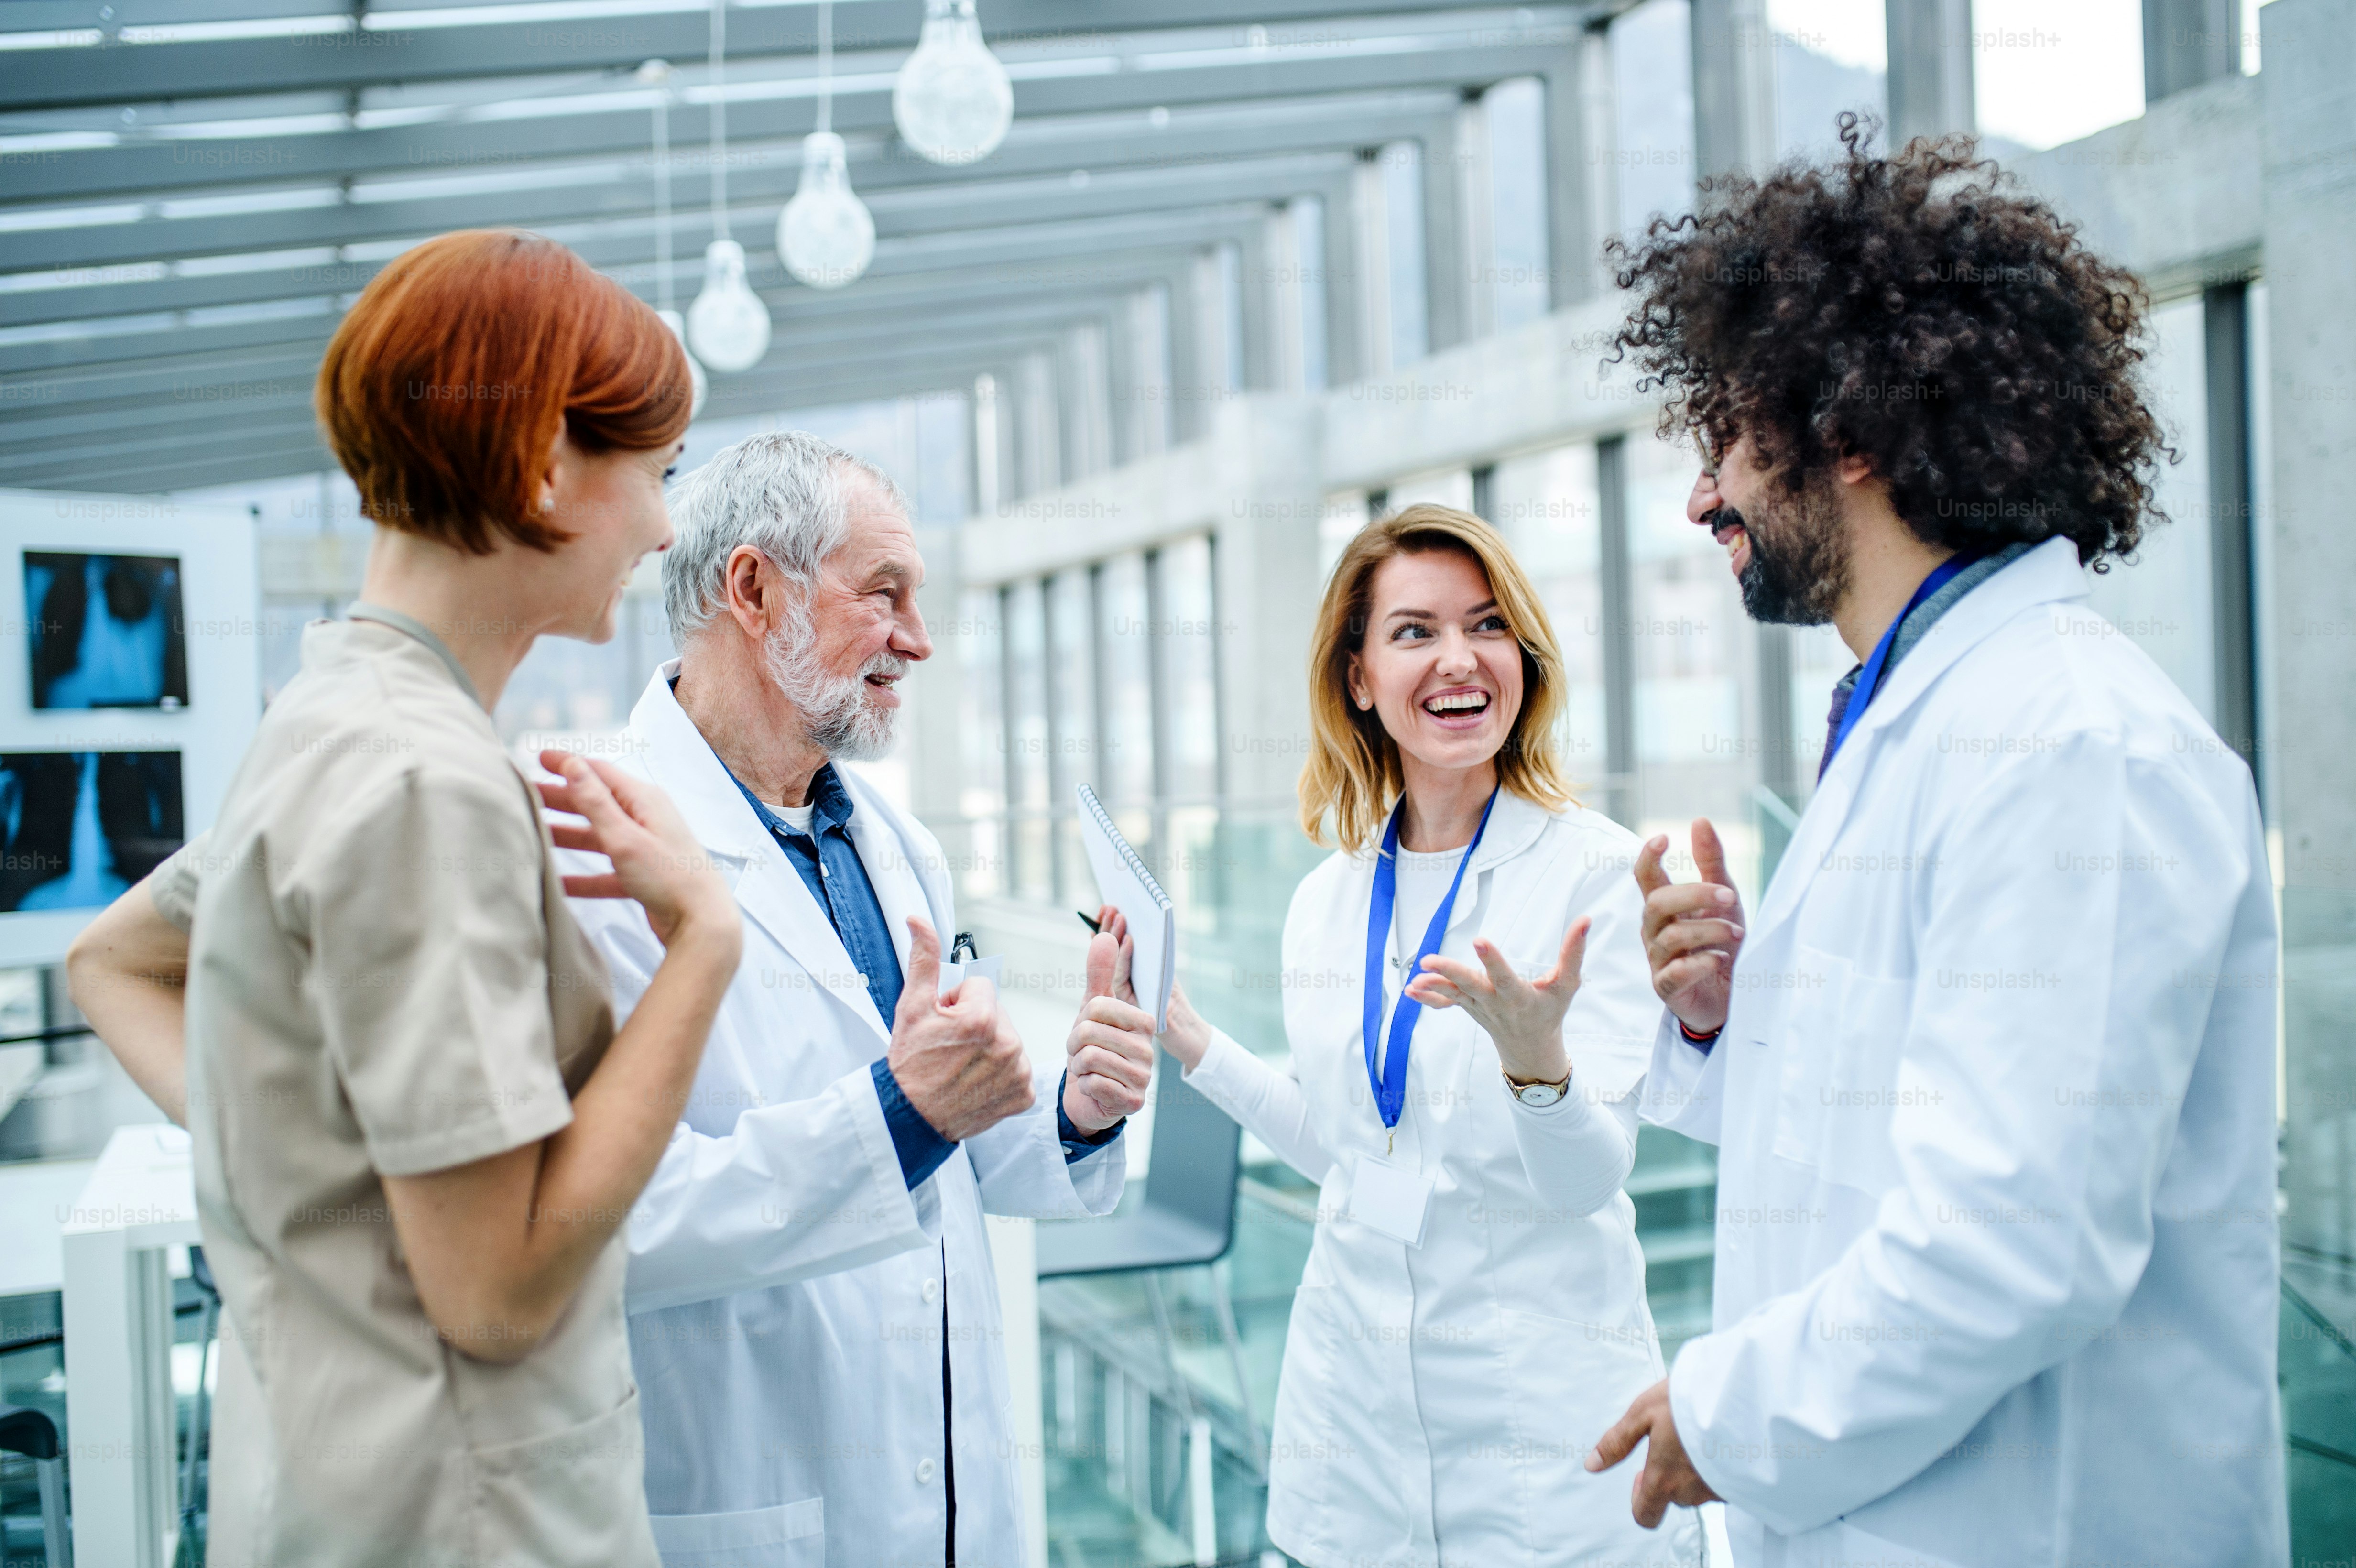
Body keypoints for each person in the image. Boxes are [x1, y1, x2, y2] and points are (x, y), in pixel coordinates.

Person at [1582, 120, 2286, 1566]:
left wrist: (1729, 1414)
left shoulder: (2072, 748)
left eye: (1725, 435)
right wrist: (1733, 1019)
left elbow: (2015, 1241)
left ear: (1845, 430)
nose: (1703, 493)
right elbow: (1898, 1125)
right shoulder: (1926, 715)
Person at [65, 229, 743, 1567]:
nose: (667, 527)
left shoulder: (326, 714)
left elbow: (111, 961)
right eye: (654, 475)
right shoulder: (427, 784)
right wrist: (703, 947)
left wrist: (323, 1179)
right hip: (472, 1523)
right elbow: (496, 1293)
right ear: (545, 460)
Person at [557, 430, 1159, 1568]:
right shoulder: (585, 857)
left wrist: (1073, 1107)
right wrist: (900, 1110)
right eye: (884, 594)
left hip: (948, 1497)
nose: (917, 640)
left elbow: (956, 1152)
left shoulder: (892, 843)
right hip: (752, 1490)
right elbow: (599, 1223)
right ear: (751, 588)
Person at [1155, 504, 1702, 1568]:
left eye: (1486, 625)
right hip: (1352, 1435)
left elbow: (1588, 1179)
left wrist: (1536, 1064)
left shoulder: (1596, 874)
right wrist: (1192, 1042)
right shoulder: (1326, 895)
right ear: (1358, 676)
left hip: (1542, 1442)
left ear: (1523, 657)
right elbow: (1354, 1154)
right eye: (1413, 631)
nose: (1458, 658)